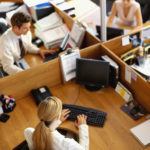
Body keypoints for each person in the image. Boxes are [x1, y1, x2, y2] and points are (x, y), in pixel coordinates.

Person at [24, 96, 89, 150]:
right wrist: (83, 127)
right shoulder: (68, 145)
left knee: (70, 134)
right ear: (58, 116)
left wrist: (57, 121)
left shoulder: (29, 132)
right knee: (73, 135)